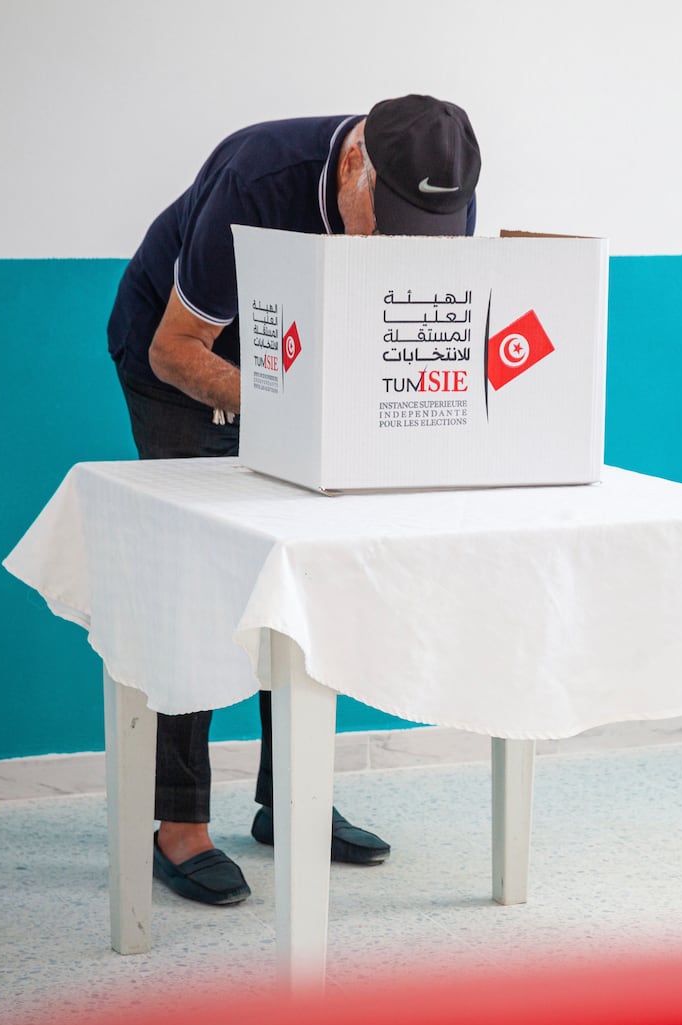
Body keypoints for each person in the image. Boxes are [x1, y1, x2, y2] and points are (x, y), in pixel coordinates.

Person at [104, 95, 482, 906]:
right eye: (382, 227)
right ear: (354, 168)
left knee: (308, 572)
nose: (390, 249)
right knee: (196, 582)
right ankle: (180, 824)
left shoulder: (441, 194)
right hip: (177, 357)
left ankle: (293, 800)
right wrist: (294, 411)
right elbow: (175, 350)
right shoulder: (257, 180)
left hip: (298, 374)